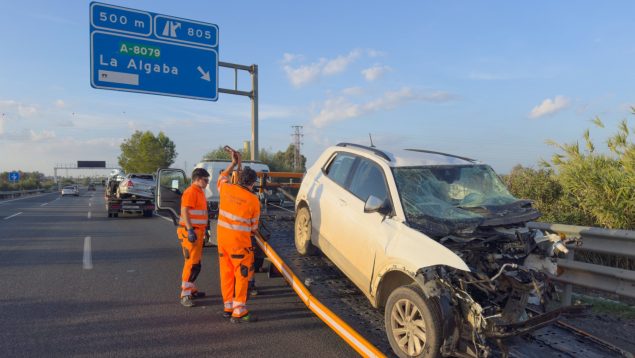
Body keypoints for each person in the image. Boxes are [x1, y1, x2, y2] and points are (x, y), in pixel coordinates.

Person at [217, 150, 260, 323]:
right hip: (239, 245)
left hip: (222, 242)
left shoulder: (226, 189)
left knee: (226, 274)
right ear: (253, 183)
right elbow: (253, 228)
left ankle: (228, 307)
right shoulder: (253, 200)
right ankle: (239, 311)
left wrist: (233, 164)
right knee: (241, 276)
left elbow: (222, 176)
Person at [177, 168, 210, 307]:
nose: (207, 182)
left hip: (197, 232)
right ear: (197, 178)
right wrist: (190, 230)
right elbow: (184, 211)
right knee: (192, 264)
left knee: (195, 263)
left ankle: (191, 289)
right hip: (191, 232)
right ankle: (185, 294)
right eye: (205, 180)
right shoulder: (191, 192)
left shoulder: (199, 191)